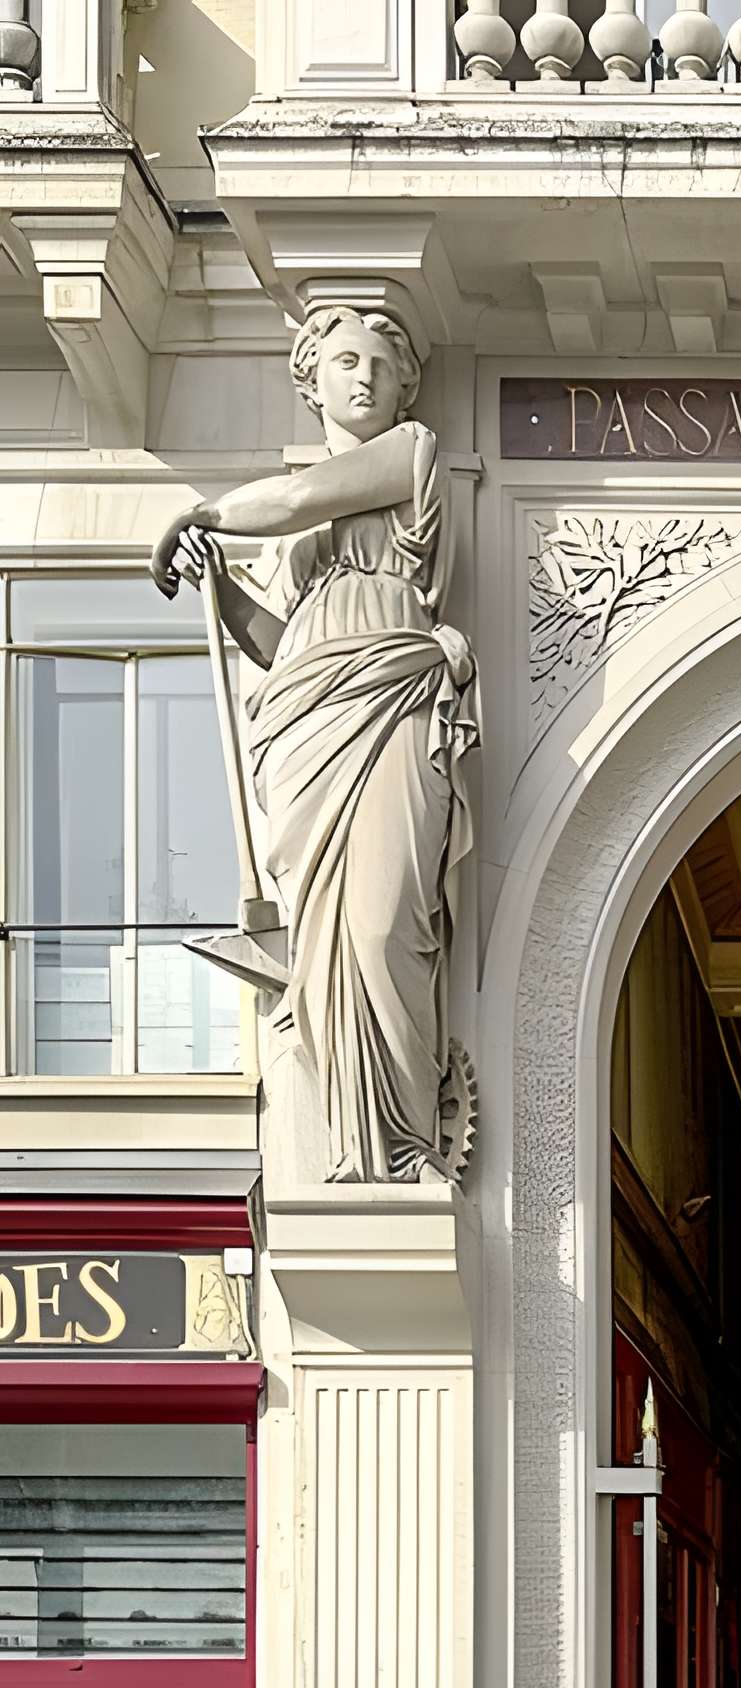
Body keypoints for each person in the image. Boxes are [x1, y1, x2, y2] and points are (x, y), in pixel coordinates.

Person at [149, 304, 479, 1185]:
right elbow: (273, 640)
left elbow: (296, 496)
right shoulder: (293, 538)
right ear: (312, 379)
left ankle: (403, 1134)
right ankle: (355, 1143)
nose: (363, 378)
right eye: (343, 363)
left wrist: (207, 516)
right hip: (308, 720)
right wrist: (220, 591)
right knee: (326, 941)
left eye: (379, 364)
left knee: (381, 927)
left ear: (406, 385)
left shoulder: (409, 454)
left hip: (391, 697)